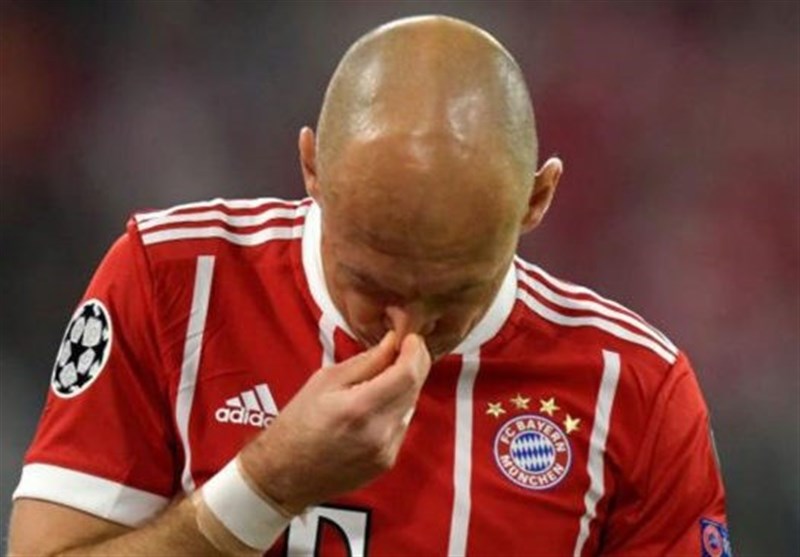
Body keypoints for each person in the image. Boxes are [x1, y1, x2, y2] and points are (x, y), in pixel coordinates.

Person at [9, 15, 731, 557]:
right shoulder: (172, 280)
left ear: (536, 200)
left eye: (453, 295)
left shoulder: (635, 391)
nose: (405, 329)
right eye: (368, 279)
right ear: (311, 167)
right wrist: (264, 486)